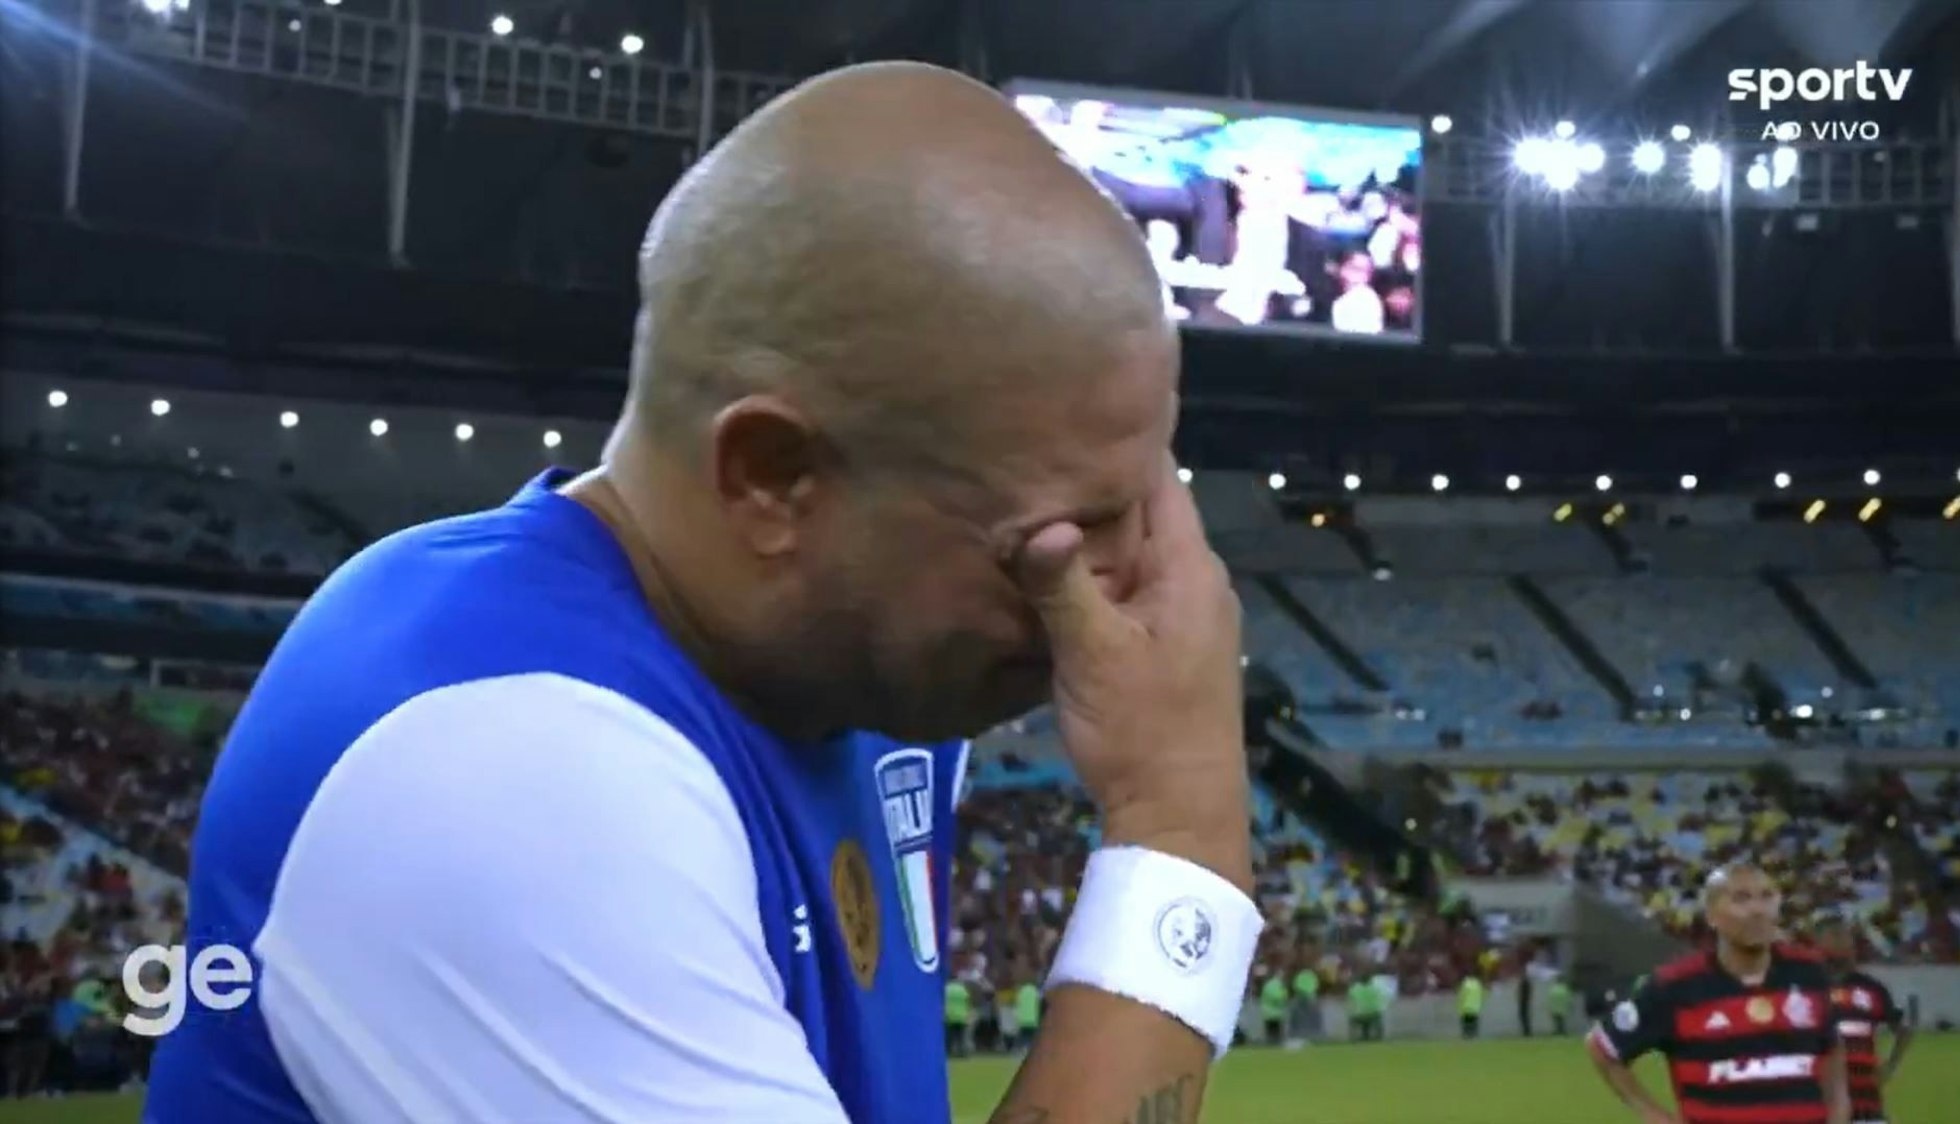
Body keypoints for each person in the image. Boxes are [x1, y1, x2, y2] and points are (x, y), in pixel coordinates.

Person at [145, 61, 1263, 1124]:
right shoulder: (508, 769)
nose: (1125, 601)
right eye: (1063, 540)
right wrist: (1181, 826)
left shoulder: (859, 666)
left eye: (1146, 507)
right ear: (772, 478)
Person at [1589, 862, 1851, 1124]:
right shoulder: (1676, 985)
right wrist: (1655, 1116)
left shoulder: (1809, 972)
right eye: (1741, 899)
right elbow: (1602, 1047)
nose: (1758, 910)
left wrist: (1839, 1109)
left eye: (1767, 897)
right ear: (1712, 915)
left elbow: (1831, 1044)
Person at [1816, 921, 1915, 1124]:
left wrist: (1890, 1066)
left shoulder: (1872, 988)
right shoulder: (1809, 988)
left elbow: (1903, 1030)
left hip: (1866, 1102)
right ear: (1820, 944)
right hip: (1820, 1102)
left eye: (1846, 939)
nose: (1844, 944)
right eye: (1835, 937)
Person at [1458, 971, 1486, 1039]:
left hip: (1466, 1007)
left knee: (1466, 1025)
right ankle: (1474, 1037)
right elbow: (1483, 994)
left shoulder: (1465, 984)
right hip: (1476, 1008)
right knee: (1474, 1025)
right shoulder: (1478, 984)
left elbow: (1462, 995)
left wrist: (1459, 1006)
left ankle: (1466, 1037)